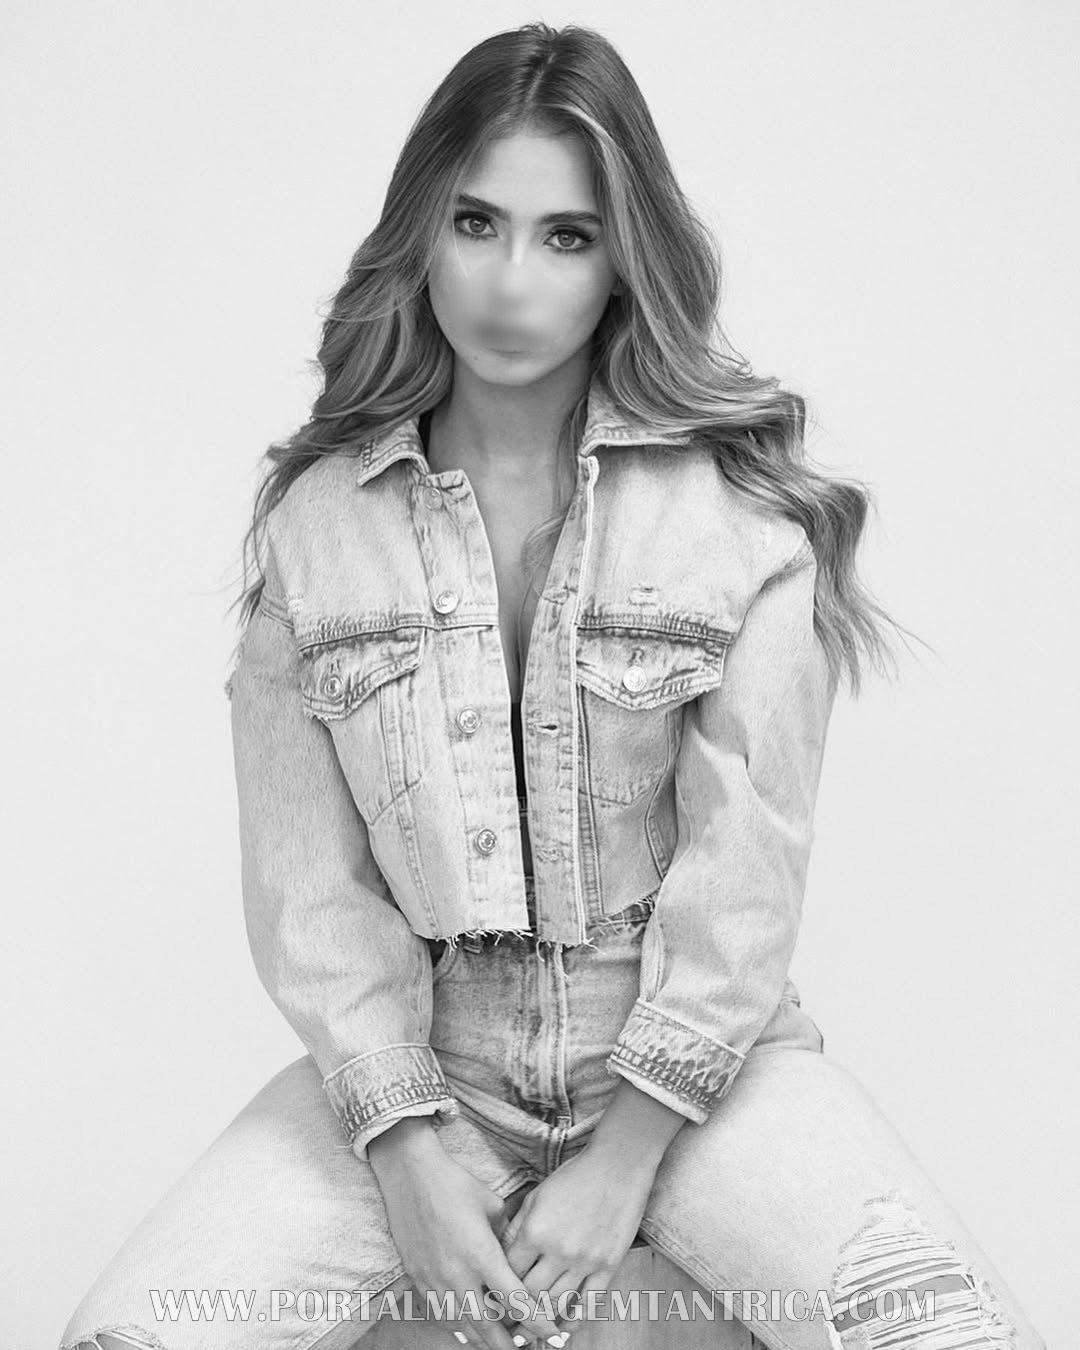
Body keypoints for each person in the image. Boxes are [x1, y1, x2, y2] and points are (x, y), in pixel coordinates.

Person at [59, 21, 1046, 1350]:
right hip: (429, 1068)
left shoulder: (739, 522)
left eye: (566, 237)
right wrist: (405, 1154)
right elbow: (309, 892)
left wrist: (625, 1156)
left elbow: (744, 879)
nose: (511, 283)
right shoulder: (319, 525)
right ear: (422, 231)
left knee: (953, 1335)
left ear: (623, 259)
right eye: (477, 223)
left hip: (697, 1070)